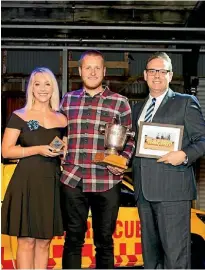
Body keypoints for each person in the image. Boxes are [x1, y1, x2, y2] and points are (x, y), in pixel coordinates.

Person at [60, 50, 135, 269]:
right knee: (73, 240)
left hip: (107, 181)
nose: (92, 72)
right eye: (88, 68)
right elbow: (57, 132)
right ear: (80, 71)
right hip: (73, 179)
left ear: (104, 71)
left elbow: (130, 139)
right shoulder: (68, 100)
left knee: (104, 243)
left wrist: (121, 161)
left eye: (97, 68)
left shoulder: (120, 102)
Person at [132, 52, 205, 269]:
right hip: (143, 192)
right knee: (151, 258)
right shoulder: (137, 109)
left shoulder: (185, 102)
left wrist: (183, 155)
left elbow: (202, 139)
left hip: (173, 192)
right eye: (152, 71)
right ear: (145, 75)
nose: (157, 76)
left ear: (170, 75)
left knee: (175, 257)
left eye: (162, 71)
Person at [1, 67, 67, 269]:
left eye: (47, 84)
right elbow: (6, 151)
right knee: (27, 240)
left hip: (52, 183)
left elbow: (64, 149)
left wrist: (63, 151)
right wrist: (37, 149)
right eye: (37, 84)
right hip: (26, 182)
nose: (42, 89)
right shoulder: (19, 115)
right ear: (31, 88)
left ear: (53, 88)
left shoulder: (62, 118)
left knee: (45, 241)